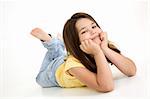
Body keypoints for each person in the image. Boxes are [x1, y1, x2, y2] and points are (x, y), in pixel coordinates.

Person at [30, 12, 136, 92]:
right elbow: (107, 86)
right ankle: (52, 44)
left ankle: (62, 44)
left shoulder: (103, 45)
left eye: (94, 26)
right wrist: (98, 53)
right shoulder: (73, 66)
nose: (93, 31)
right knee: (40, 78)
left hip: (73, 54)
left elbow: (131, 70)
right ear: (76, 42)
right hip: (54, 71)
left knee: (63, 54)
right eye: (84, 31)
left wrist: (105, 49)